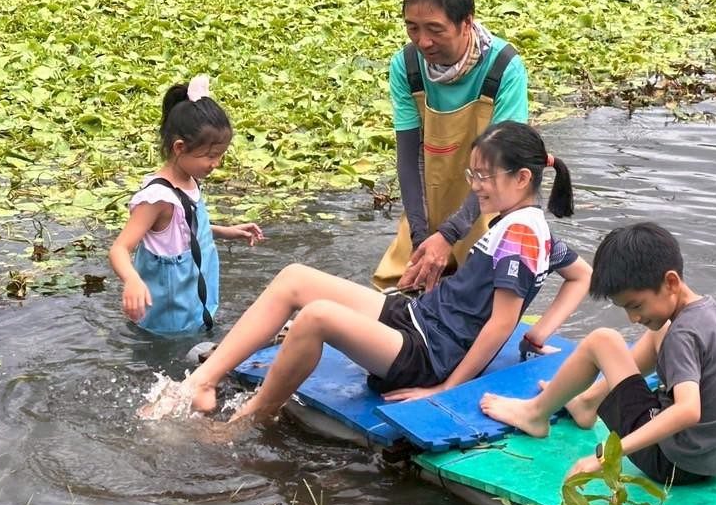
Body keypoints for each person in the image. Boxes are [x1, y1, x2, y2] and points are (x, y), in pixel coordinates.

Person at [176, 122, 590, 424]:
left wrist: (447, 389)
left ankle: (252, 417)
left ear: (521, 178)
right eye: (472, 175)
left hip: (429, 356)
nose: (475, 185)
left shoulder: (522, 235)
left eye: (483, 176)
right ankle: (204, 380)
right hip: (419, 321)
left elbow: (500, 324)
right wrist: (538, 334)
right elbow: (581, 275)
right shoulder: (530, 227)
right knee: (295, 277)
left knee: (317, 317)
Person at [480, 222, 716, 484]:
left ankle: (535, 415)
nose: (633, 318)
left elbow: (688, 411)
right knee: (658, 330)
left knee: (602, 340)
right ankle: (586, 402)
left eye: (636, 306)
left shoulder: (684, 334)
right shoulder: (713, 313)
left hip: (673, 463)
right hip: (715, 460)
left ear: (670, 282)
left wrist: (607, 456)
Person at [373, 0, 530, 293]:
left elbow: (500, 165)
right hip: (431, 203)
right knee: (397, 295)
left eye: (435, 30)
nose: (423, 41)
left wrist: (450, 234)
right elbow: (408, 156)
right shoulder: (407, 66)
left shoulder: (503, 68)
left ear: (466, 22)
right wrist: (421, 236)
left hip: (490, 205)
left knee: (475, 300)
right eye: (412, 28)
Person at [109, 75, 264, 336]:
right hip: (166, 327)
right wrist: (132, 280)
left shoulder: (189, 179)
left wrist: (226, 231)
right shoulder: (158, 198)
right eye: (211, 156)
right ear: (180, 147)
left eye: (221, 156)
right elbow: (119, 249)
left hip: (195, 310)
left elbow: (182, 230)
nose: (216, 164)